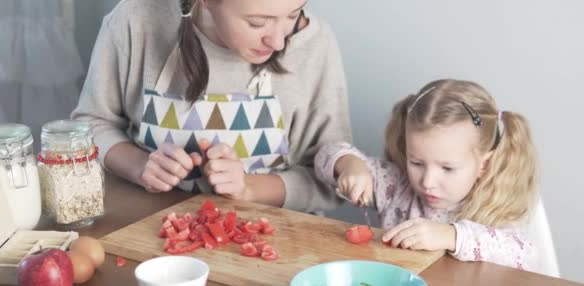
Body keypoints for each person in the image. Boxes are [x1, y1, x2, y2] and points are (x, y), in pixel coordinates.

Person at [71, 0, 351, 212]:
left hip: (276, 244)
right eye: (257, 23)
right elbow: (90, 125)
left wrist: (249, 188)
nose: (278, 41)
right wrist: (140, 166)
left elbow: (332, 177)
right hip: (147, 228)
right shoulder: (135, 19)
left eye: (293, 14)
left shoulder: (315, 43)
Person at [315, 79, 539, 271]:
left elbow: (526, 254)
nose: (427, 182)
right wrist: (350, 165)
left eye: (447, 168)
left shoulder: (494, 205)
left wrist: (451, 236)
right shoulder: (395, 185)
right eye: (417, 162)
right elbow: (324, 154)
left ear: (484, 164)